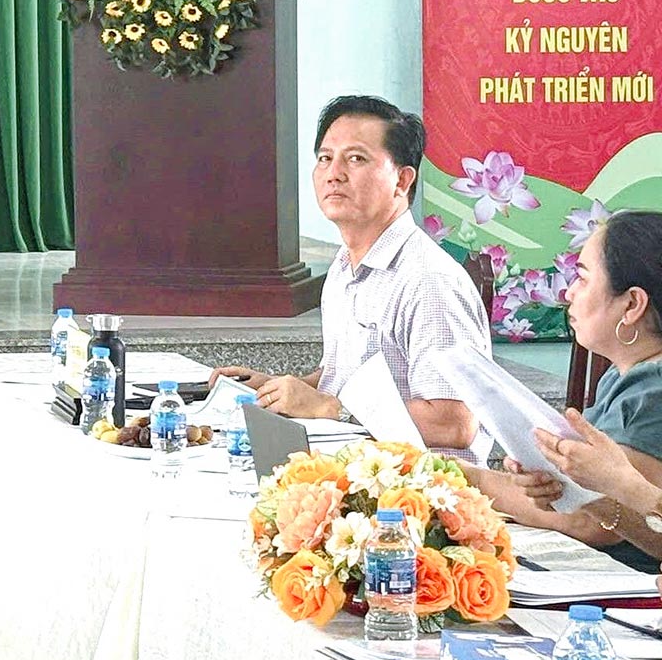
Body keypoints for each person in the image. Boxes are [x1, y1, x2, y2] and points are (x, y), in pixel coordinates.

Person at [217, 95, 480, 453]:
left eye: (356, 159)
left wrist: (331, 410)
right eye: (325, 158)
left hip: (419, 492)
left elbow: (454, 423)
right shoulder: (344, 265)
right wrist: (278, 389)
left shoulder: (428, 281)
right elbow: (340, 379)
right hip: (353, 467)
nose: (333, 173)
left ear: (402, 181)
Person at [473, 211, 662, 566]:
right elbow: (613, 503)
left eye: (583, 279)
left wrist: (468, 479)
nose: (568, 292)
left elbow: (599, 527)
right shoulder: (622, 374)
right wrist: (563, 485)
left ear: (633, 304)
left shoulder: (653, 389)